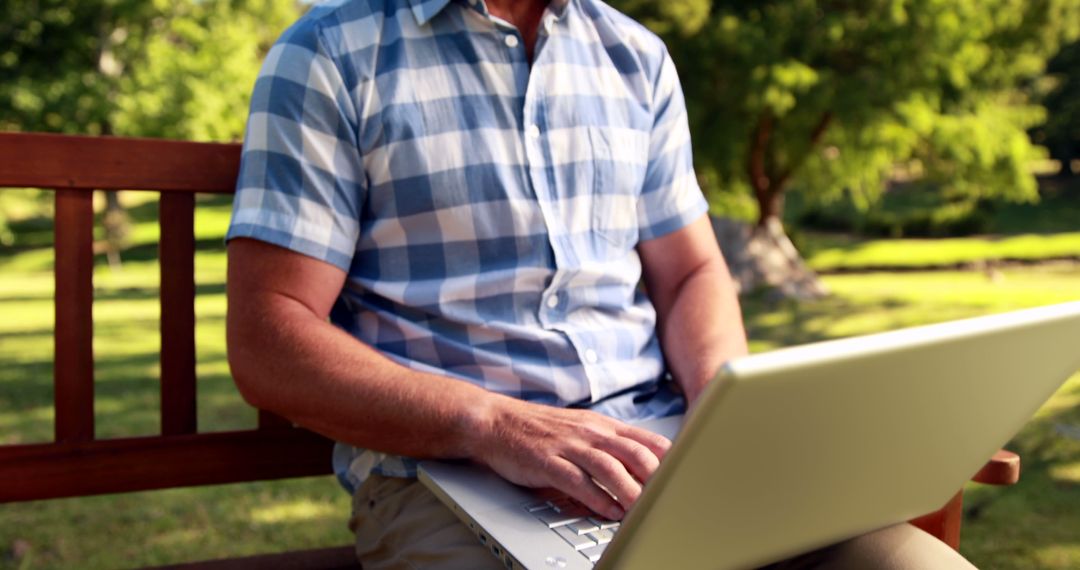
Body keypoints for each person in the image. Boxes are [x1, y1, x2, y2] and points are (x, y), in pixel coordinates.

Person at [225, 0, 978, 567]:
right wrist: (492, 425)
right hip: (449, 479)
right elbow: (269, 336)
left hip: (664, 455)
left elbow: (690, 273)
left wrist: (729, 411)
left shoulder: (636, 57)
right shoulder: (329, 53)